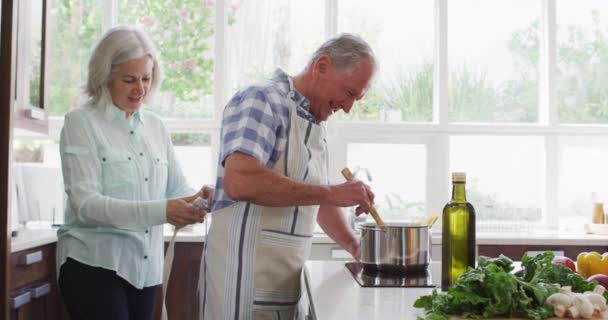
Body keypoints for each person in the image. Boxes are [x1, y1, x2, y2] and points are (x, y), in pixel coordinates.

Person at [199, 33, 377, 320]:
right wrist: (332, 193)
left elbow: (313, 199)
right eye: (349, 93)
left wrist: (356, 247)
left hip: (287, 288)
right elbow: (240, 180)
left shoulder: (315, 125)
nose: (348, 106)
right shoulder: (262, 100)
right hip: (242, 287)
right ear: (321, 66)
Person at [56, 26, 212, 320]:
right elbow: (86, 205)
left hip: (145, 272)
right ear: (104, 77)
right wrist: (162, 211)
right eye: (129, 79)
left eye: (146, 78)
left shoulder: (155, 126)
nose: (140, 89)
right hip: (94, 265)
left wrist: (196, 201)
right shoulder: (81, 123)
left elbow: (176, 188)